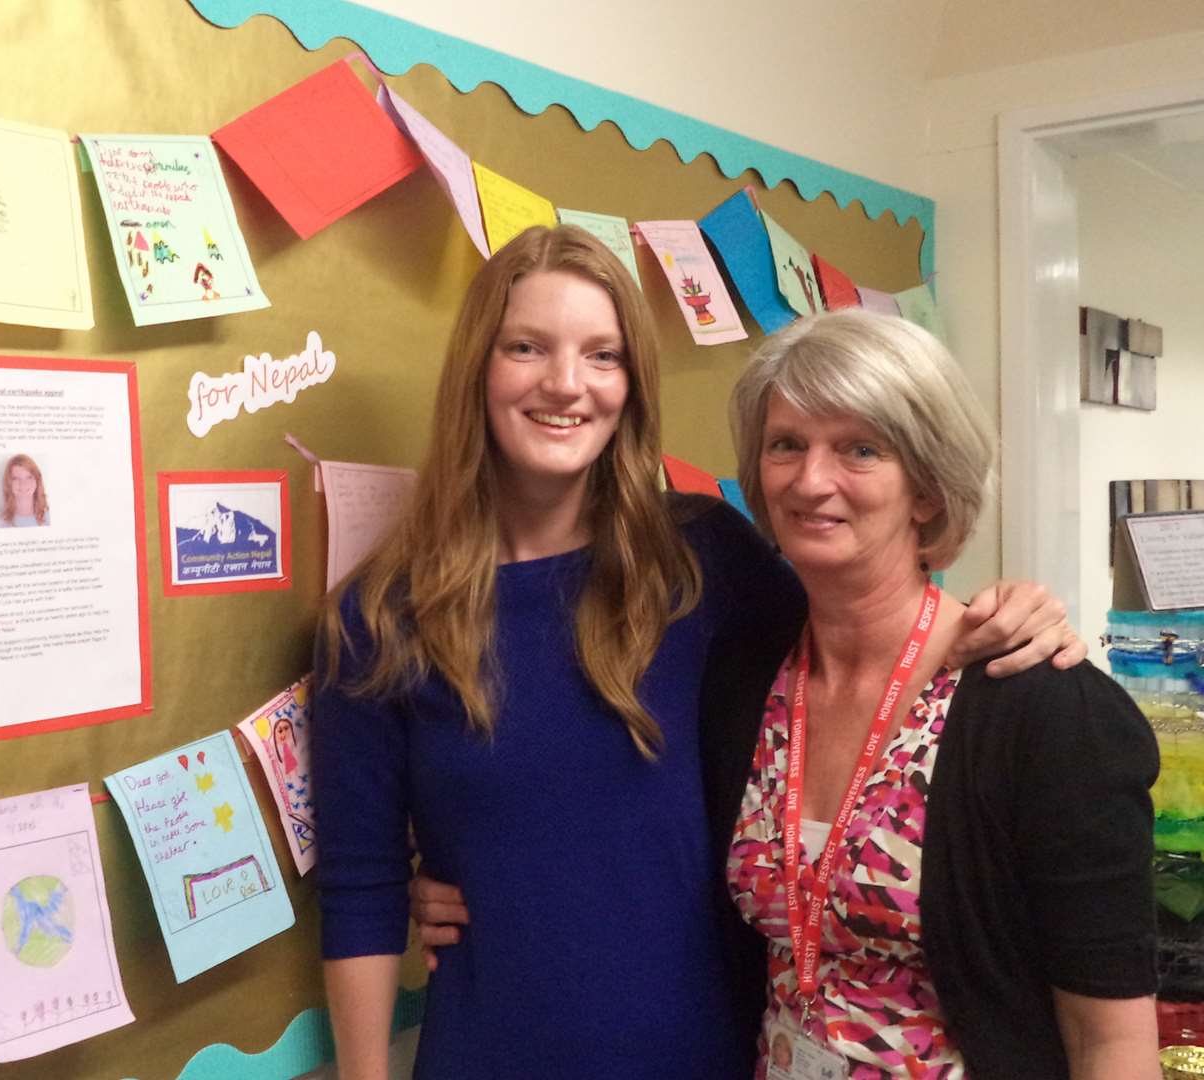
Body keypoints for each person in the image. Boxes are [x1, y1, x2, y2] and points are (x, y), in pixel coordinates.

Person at [312, 226, 1079, 1080]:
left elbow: (862, 653)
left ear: (632, 385)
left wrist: (1014, 615)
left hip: (708, 1047)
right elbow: (360, 886)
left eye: (602, 355)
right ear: (476, 370)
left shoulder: (706, 561)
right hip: (491, 1050)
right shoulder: (380, 616)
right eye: (526, 347)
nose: (566, 383)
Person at [722, 311, 1160, 1077]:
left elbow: (1111, 1040)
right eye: (786, 444)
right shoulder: (747, 676)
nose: (810, 478)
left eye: (860, 448)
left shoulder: (1044, 709)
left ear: (926, 490)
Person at [0, 453, 48, 527]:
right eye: (15, 478)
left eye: (29, 477)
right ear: (8, 483)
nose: (23, 484)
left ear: (37, 480)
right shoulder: (0, 522)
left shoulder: (50, 518)